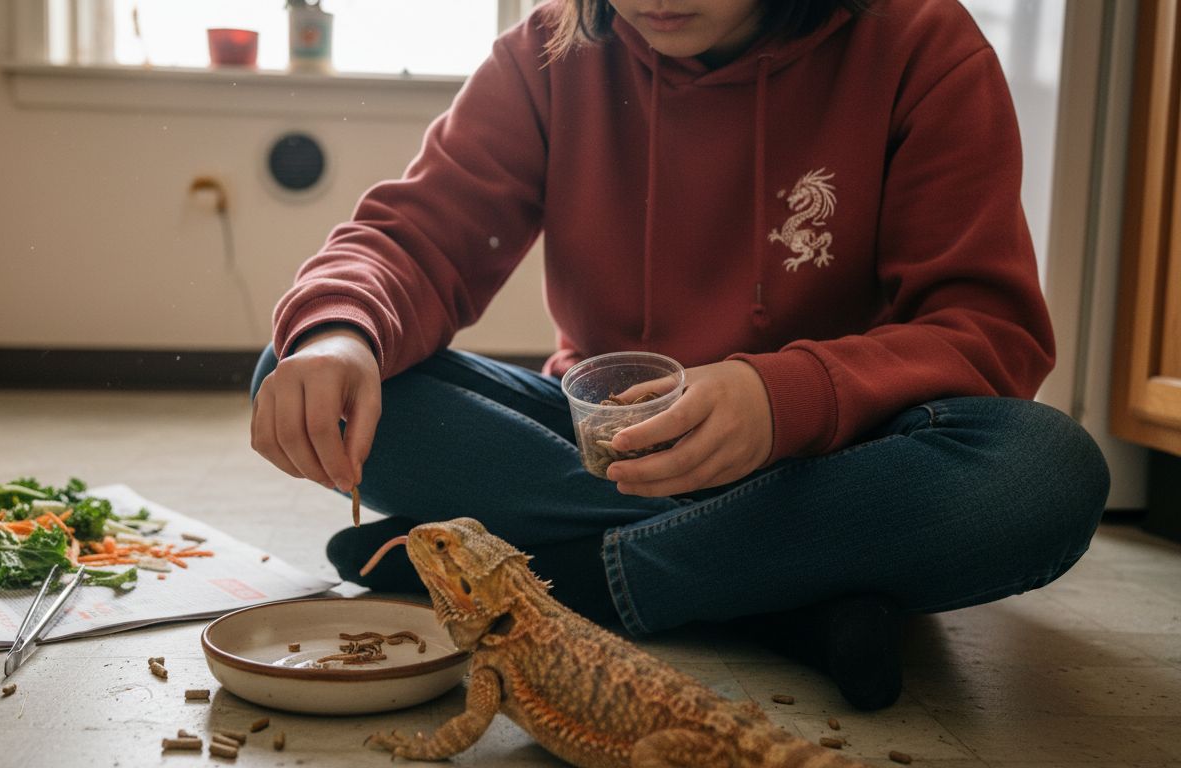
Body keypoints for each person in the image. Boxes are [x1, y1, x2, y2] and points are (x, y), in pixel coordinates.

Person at [250, 0, 1109, 710]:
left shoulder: (922, 42)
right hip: (613, 452)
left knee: (1047, 472)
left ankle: (570, 578)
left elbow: (986, 334)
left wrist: (784, 398)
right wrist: (339, 332)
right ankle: (788, 596)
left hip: (839, 459)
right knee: (309, 367)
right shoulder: (550, 51)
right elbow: (410, 241)